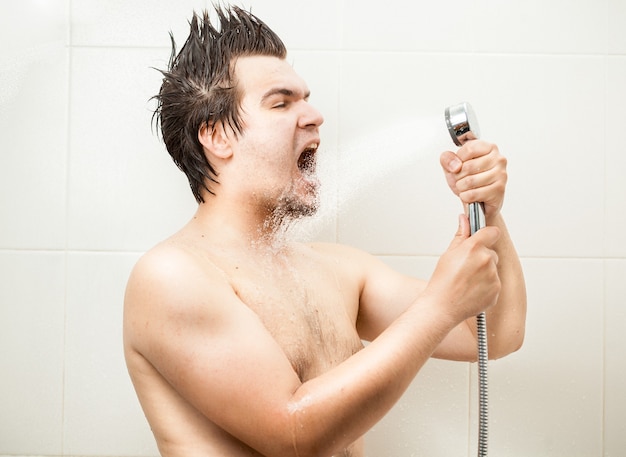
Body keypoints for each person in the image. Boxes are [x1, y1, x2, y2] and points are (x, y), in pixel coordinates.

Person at [123, 6, 526, 457]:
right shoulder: (171, 277)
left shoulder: (336, 269)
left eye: (306, 98)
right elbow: (294, 435)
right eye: (281, 102)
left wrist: (487, 210)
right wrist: (437, 306)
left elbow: (496, 333)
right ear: (217, 136)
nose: (314, 115)